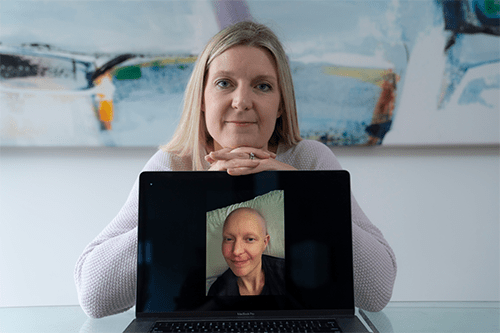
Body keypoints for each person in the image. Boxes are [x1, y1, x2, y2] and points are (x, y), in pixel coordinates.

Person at [75, 21, 397, 318]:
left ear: (281, 103)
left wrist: (303, 191)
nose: (242, 101)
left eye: (263, 86)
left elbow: (378, 289)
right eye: (225, 83)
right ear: (202, 97)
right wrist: (190, 201)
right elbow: (93, 296)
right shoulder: (173, 165)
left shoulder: (310, 161)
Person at [208, 207, 285, 296]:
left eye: (250, 239)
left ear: (265, 242)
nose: (236, 251)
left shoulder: (285, 274)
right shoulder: (217, 291)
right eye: (229, 239)